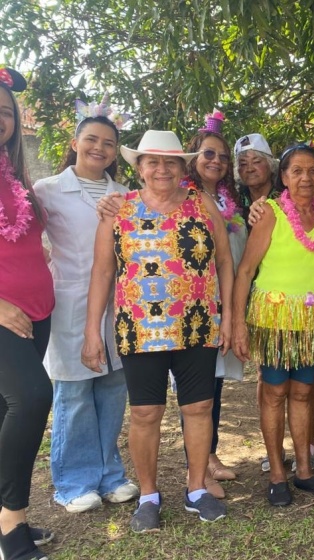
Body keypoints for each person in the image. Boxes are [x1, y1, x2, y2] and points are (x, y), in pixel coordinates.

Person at [83, 130, 233, 532]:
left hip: (197, 324)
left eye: (170, 162)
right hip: (140, 328)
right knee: (145, 412)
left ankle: (196, 488)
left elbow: (223, 262)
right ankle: (148, 496)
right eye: (152, 161)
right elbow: (102, 272)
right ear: (139, 168)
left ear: (183, 168)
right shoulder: (119, 209)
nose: (161, 169)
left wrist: (229, 316)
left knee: (198, 408)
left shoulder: (202, 204)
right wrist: (92, 331)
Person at [32, 101, 138, 515]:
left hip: (119, 304)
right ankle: (73, 482)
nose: (99, 148)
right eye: (91, 139)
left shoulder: (125, 195)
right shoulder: (47, 190)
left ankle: (109, 475)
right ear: (75, 143)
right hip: (68, 303)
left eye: (108, 143)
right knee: (74, 392)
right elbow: (22, 237)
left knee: (112, 387)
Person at [232, 143, 314, 506]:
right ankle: (278, 474)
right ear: (284, 176)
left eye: (312, 171)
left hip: (308, 319)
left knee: (304, 392)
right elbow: (245, 270)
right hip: (274, 318)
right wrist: (239, 324)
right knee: (275, 392)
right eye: (297, 171)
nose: (305, 177)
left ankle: (304, 471)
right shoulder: (271, 213)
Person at [0, 65, 54, 560]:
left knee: (4, 411)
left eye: (5, 111)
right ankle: (11, 520)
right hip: (4, 315)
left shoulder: (15, 175)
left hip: (39, 311)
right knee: (34, 397)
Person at [180, 113, 246, 497]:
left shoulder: (227, 200)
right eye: (208, 153)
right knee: (198, 386)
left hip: (223, 301)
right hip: (193, 304)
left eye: (222, 156)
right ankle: (198, 465)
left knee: (214, 383)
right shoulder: (182, 195)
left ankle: (209, 454)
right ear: (193, 156)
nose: (216, 161)